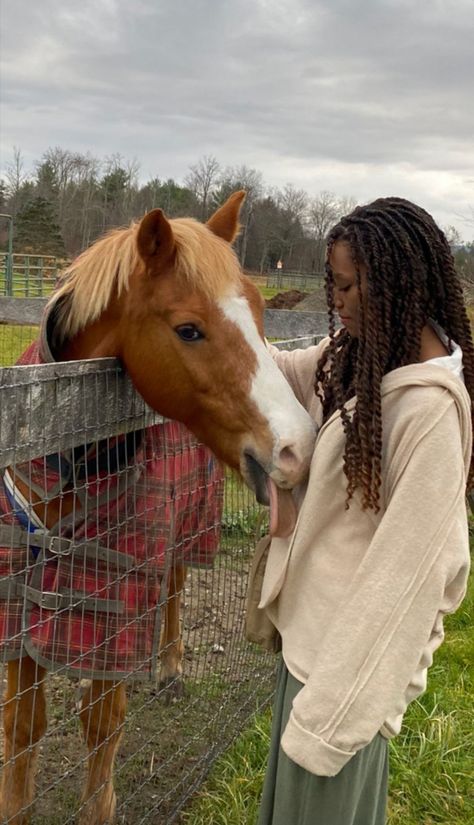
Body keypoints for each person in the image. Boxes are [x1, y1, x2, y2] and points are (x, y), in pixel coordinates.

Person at [250, 197, 473, 825]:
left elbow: (406, 580)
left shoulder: (427, 411)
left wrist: (331, 718)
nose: (337, 300)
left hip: (344, 681)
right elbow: (275, 369)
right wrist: (216, 321)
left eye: (346, 285)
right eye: (332, 285)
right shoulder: (360, 357)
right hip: (312, 652)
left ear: (396, 283)